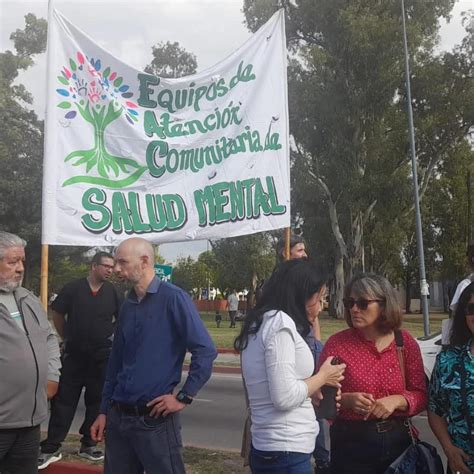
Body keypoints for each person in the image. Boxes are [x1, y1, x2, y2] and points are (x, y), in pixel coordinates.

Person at [90, 237, 217, 474]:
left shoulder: (173, 298)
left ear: (145, 261)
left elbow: (205, 350)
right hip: (119, 418)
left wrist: (184, 396)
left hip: (154, 421)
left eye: (122, 262)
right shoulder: (127, 305)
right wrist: (104, 412)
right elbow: (115, 364)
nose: (116, 269)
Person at [235, 259, 346, 473]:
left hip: (275, 448)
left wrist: (311, 390)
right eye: (320, 298)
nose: (321, 307)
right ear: (302, 295)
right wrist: (323, 376)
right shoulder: (279, 323)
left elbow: (276, 386)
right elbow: (284, 397)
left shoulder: (262, 322)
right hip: (285, 451)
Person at [319, 273, 427, 474]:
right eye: (349, 302)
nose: (354, 309)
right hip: (351, 446)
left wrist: (397, 400)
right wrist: (346, 401)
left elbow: (421, 395)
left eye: (362, 303)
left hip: (398, 445)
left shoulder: (404, 343)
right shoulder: (337, 345)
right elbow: (320, 399)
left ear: (384, 305)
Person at [39, 251, 123, 469]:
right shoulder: (74, 288)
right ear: (93, 266)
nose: (109, 270)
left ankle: (89, 444)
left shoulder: (113, 292)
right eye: (106, 266)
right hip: (74, 356)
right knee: (64, 401)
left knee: (96, 401)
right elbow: (57, 314)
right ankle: (52, 445)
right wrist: (66, 336)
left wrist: (109, 335)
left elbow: (122, 317)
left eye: (111, 267)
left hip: (101, 357)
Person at [0, 231, 61, 474]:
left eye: (22, 261)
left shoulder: (29, 299)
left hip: (31, 422)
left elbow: (49, 338)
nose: (20, 268)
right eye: (12, 262)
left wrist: (53, 374)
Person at [428, 281, 474, 474]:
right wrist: (449, 449)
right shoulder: (448, 360)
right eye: (472, 308)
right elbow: (435, 409)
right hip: (463, 467)